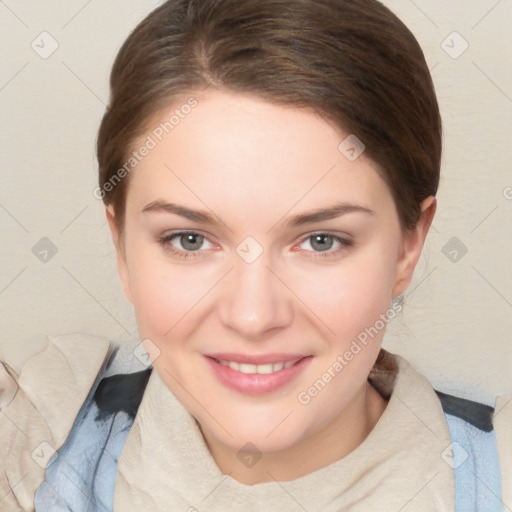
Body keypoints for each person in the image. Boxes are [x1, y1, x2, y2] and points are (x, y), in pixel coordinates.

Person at [0, 0, 510, 510]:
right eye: (190, 240)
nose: (252, 316)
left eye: (321, 241)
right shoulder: (30, 460)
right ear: (122, 248)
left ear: (408, 244)